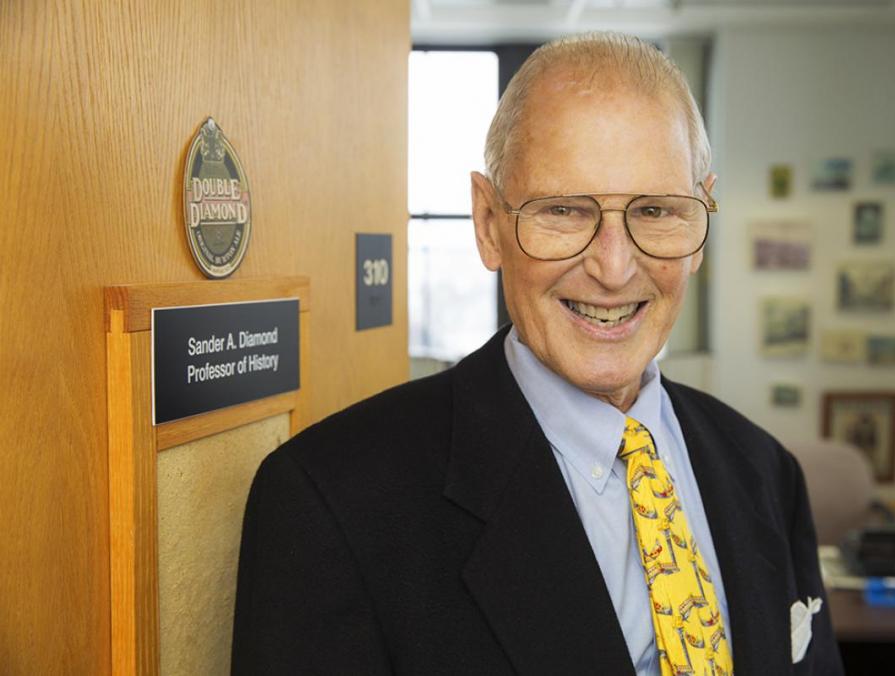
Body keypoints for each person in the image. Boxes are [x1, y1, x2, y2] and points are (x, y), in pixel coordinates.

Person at [232, 32, 843, 676]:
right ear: (490, 223)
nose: (613, 268)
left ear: (697, 227)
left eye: (658, 210)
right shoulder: (331, 501)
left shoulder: (766, 471)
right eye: (564, 211)